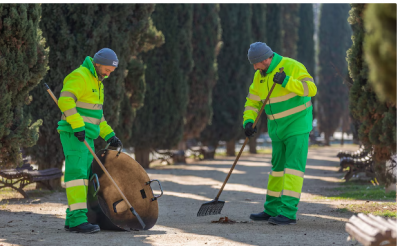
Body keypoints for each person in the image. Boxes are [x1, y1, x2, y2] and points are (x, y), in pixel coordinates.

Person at [243, 42, 317, 225]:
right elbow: (253, 102)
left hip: (297, 126)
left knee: (293, 169)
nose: (254, 67)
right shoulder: (259, 76)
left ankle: (288, 213)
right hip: (277, 130)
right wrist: (248, 121)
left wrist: (286, 81)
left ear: (267, 58)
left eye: (257, 63)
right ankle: (272, 209)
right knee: (276, 170)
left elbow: (311, 89)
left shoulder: (292, 66)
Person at [58, 48, 123, 233]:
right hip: (74, 134)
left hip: (87, 136)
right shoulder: (80, 76)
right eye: (108, 69)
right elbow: (65, 100)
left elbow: (97, 117)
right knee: (76, 176)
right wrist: (77, 126)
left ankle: (72, 218)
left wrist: (109, 135)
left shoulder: (97, 82)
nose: (109, 74)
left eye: (112, 71)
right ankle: (79, 221)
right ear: (98, 63)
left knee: (84, 178)